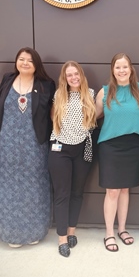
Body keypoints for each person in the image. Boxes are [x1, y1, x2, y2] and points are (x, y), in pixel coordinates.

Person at [0, 47, 55, 247]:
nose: (25, 63)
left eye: (29, 60)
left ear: (36, 64)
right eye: (21, 59)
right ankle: (9, 232)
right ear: (16, 62)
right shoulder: (7, 79)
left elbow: (51, 114)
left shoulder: (46, 84)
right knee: (7, 186)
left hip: (34, 144)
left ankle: (34, 231)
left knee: (34, 187)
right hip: (6, 142)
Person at [96, 53, 139, 252]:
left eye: (125, 67)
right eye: (117, 67)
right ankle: (109, 233)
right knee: (112, 191)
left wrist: (131, 125)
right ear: (113, 70)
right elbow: (94, 115)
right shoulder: (105, 92)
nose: (121, 70)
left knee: (125, 189)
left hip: (134, 144)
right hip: (110, 145)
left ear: (131, 69)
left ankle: (122, 229)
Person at [48, 61, 96, 257]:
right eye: (69, 75)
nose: (74, 78)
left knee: (77, 193)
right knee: (62, 194)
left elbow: (94, 118)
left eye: (76, 74)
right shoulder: (58, 95)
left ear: (81, 75)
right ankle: (61, 238)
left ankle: (71, 231)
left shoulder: (91, 94)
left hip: (82, 149)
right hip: (60, 150)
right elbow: (53, 119)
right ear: (65, 78)